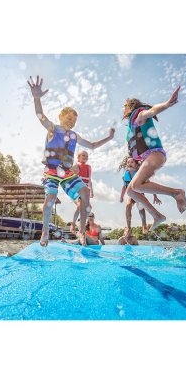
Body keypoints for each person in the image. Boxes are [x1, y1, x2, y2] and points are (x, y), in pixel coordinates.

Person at [27, 75, 115, 246]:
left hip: (67, 173)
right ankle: (45, 232)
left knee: (85, 193)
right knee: (50, 198)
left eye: (74, 120)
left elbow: (92, 145)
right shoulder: (53, 128)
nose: (72, 122)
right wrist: (37, 98)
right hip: (52, 171)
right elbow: (40, 115)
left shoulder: (75, 135)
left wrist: (109, 138)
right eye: (69, 118)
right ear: (61, 116)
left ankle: (82, 232)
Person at [123, 87, 186, 231]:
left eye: (124, 106)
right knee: (131, 190)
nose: (123, 109)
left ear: (130, 107)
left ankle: (176, 192)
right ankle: (157, 216)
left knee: (136, 186)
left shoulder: (139, 115)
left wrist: (166, 104)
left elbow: (151, 111)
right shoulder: (133, 124)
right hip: (150, 157)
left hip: (155, 154)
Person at [119, 156, 162, 234]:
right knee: (128, 206)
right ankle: (128, 227)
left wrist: (155, 196)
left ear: (136, 164)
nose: (129, 164)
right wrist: (121, 196)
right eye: (128, 162)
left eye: (132, 162)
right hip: (131, 195)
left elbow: (150, 185)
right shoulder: (126, 175)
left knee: (141, 209)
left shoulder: (140, 175)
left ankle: (144, 225)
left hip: (140, 195)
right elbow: (124, 187)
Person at [70, 150, 94, 234]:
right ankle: (76, 224)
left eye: (86, 156)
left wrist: (91, 191)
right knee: (81, 206)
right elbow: (69, 173)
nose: (85, 157)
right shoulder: (76, 166)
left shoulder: (88, 167)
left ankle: (80, 224)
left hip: (85, 190)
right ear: (78, 157)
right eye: (83, 155)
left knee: (88, 208)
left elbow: (89, 180)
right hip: (78, 189)